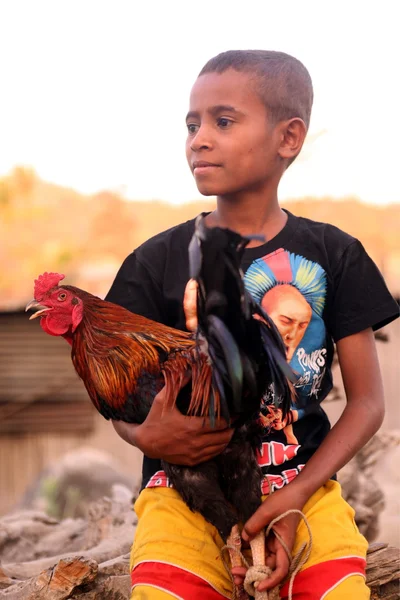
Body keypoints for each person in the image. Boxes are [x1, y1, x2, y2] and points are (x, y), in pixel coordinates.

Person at [106, 50, 399, 599]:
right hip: (182, 492)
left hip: (303, 486)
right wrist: (145, 435)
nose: (198, 139)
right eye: (191, 125)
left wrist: (296, 499)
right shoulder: (154, 263)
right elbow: (120, 397)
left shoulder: (336, 255)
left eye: (222, 121)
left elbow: (367, 403)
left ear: (289, 138)